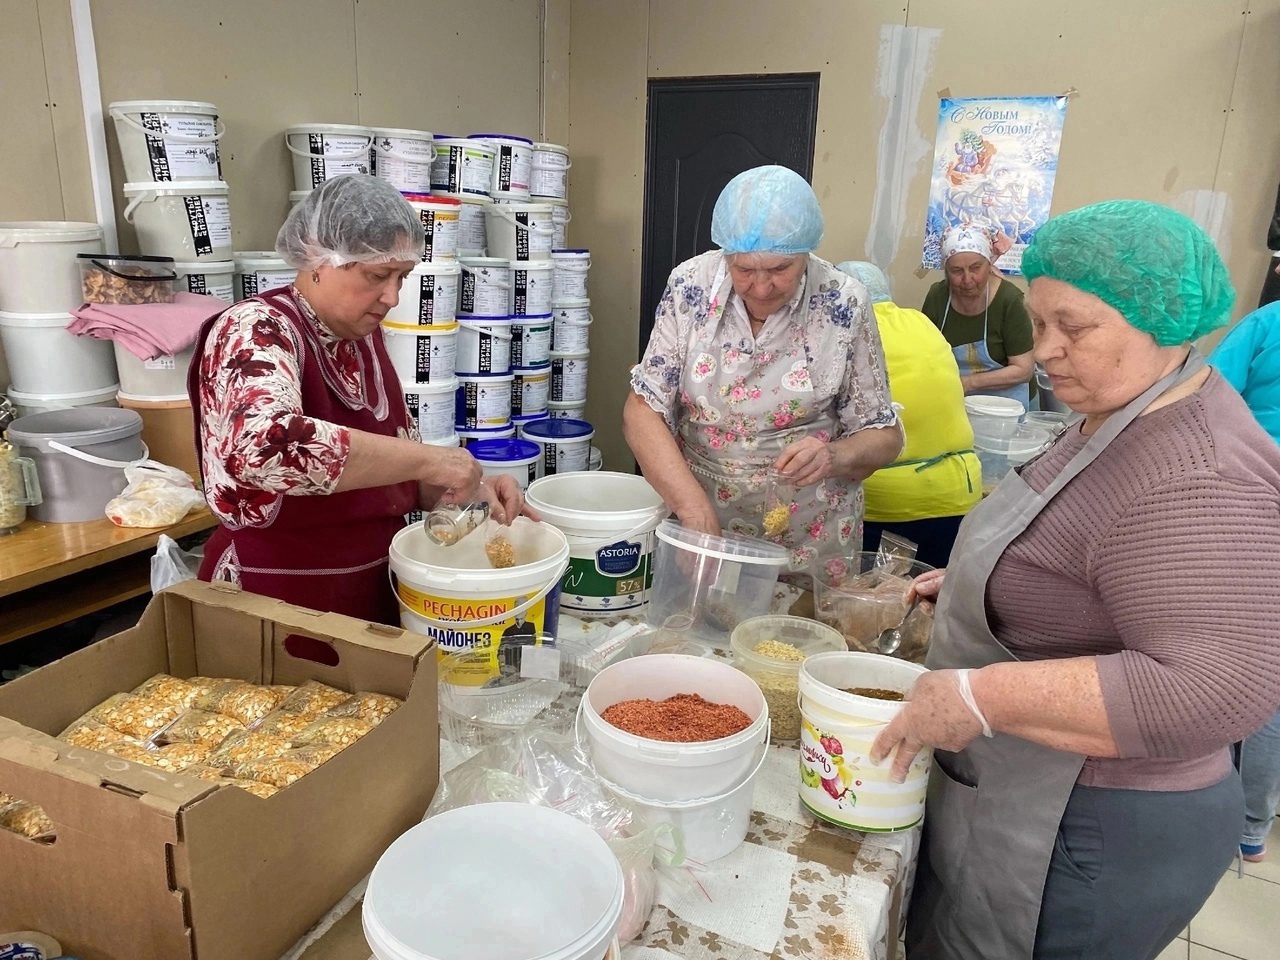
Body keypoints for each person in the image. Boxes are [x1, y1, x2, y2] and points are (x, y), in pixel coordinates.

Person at [869, 200, 1280, 960]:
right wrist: (979, 584)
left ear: (1160, 321)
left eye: (1074, 328)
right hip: (1029, 790)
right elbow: (1089, 554)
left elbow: (1215, 688)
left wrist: (980, 697)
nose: (1044, 350)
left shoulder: (1199, 476)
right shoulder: (1124, 408)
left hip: (1093, 827)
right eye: (1039, 321)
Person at [188, 175, 526, 625]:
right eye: (377, 276)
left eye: (402, 278)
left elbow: (393, 474)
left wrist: (468, 494)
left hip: (370, 590)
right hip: (277, 595)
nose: (393, 297)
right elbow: (265, 447)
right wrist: (433, 461)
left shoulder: (363, 339)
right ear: (318, 258)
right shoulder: (256, 329)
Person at [623, 166, 902, 571]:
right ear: (726, 255)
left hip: (810, 530)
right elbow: (642, 411)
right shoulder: (691, 285)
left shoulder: (843, 302)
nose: (761, 286)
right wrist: (693, 513)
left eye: (779, 270)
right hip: (703, 514)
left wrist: (833, 456)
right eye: (744, 270)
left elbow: (884, 435)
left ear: (805, 255)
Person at [835, 261, 980, 568]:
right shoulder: (920, 321)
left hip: (889, 503)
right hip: (958, 491)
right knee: (929, 594)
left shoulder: (849, 329)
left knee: (875, 595)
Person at [1209, 301, 1280, 861]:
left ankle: (1233, 814)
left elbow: (1208, 396)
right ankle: (1252, 825)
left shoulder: (1269, 323)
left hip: (1258, 502)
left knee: (1248, 664)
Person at [922, 225, 1034, 406]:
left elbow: (1023, 369)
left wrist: (968, 383)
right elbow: (925, 355)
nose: (967, 279)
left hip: (1006, 404)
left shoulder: (1008, 300)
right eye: (957, 271)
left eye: (975, 268)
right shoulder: (938, 296)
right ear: (946, 270)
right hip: (955, 398)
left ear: (989, 264)